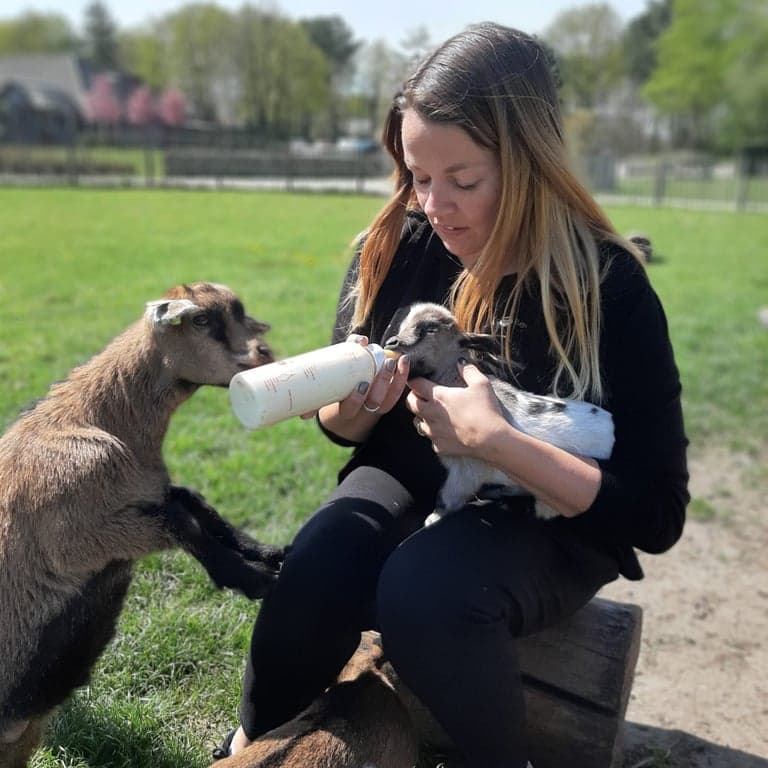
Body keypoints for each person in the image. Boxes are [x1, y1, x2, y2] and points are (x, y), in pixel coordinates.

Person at [214, 21, 689, 768]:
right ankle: (246, 745)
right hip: (412, 475)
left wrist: (498, 442)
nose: (434, 206)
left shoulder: (610, 288)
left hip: (549, 519)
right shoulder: (398, 244)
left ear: (530, 164)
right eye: (417, 177)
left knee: (425, 589)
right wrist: (357, 404)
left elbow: (656, 514)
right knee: (321, 559)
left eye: (462, 181)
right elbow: (341, 431)